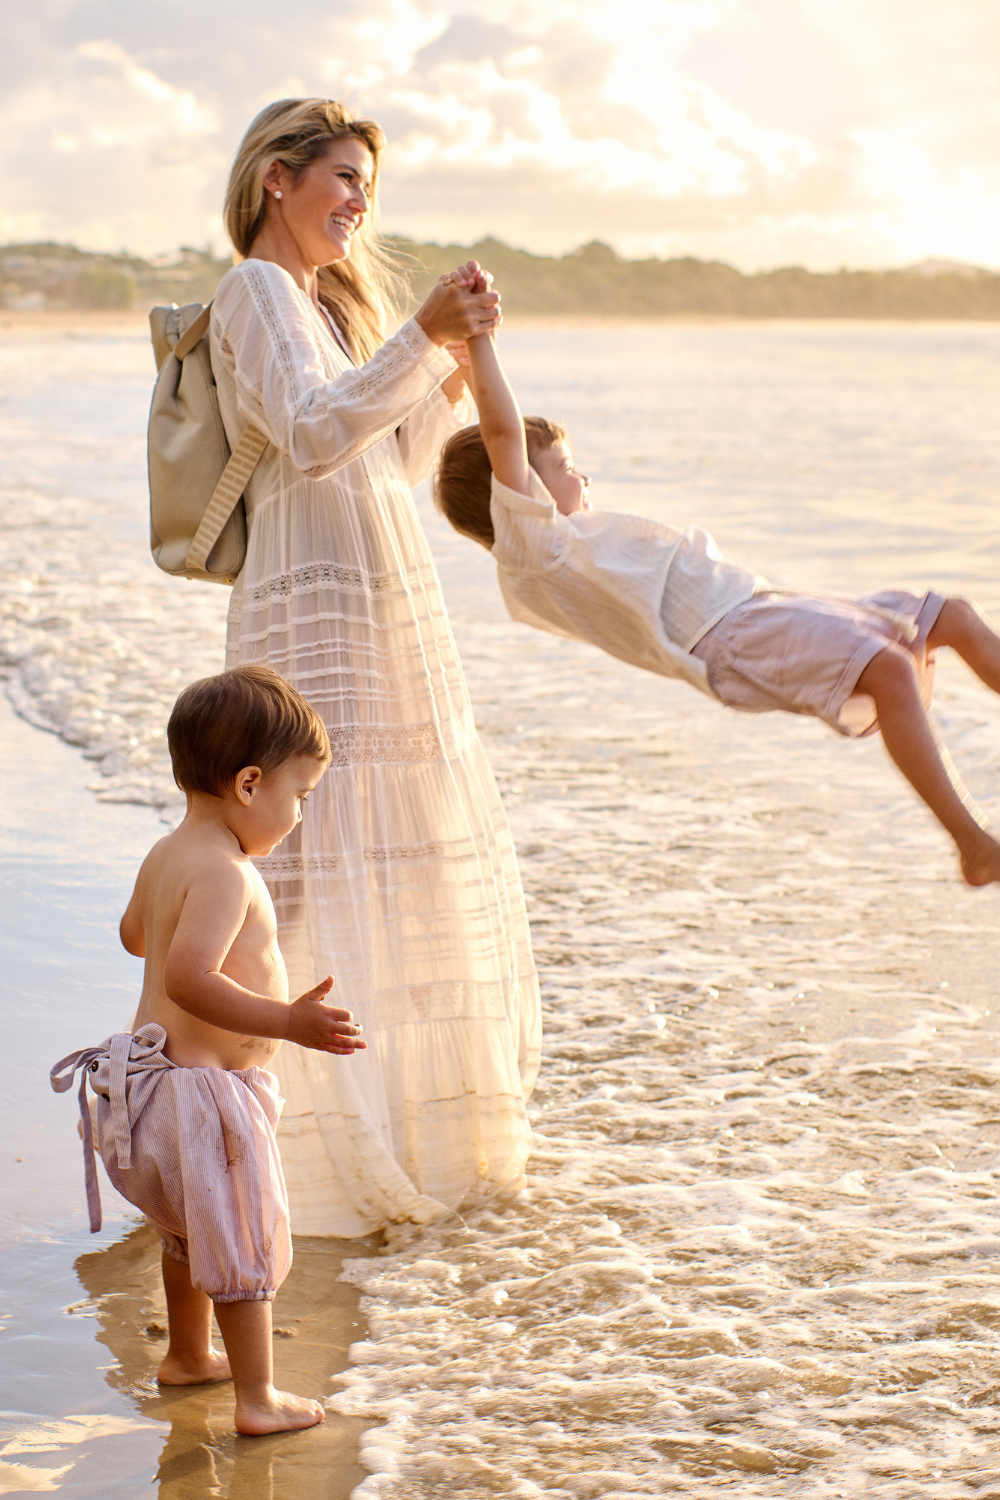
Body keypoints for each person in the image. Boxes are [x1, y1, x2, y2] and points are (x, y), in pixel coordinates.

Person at [211, 100, 540, 1237]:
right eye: (343, 178)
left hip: (375, 596)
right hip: (313, 607)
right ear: (276, 182)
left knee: (375, 864)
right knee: (302, 870)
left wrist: (445, 351)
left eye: (367, 186)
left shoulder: (320, 306)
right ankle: (238, 1139)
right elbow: (307, 434)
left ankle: (377, 1134)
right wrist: (418, 332)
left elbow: (390, 463)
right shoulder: (252, 289)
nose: (358, 202)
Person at [434, 295, 1000, 888]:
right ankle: (974, 844)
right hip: (733, 638)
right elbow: (502, 435)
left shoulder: (565, 541)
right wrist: (480, 341)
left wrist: (470, 378)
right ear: (519, 490)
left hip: (764, 607)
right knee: (889, 671)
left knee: (950, 615)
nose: (582, 476)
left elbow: (500, 436)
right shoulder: (540, 551)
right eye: (564, 466)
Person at [50, 665, 366, 1434]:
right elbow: (192, 981)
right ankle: (257, 1399)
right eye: (300, 795)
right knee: (242, 1243)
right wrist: (285, 1020)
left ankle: (189, 1355)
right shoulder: (228, 873)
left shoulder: (169, 852)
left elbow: (134, 938)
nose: (297, 815)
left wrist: (174, 927)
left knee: (191, 1235)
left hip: (144, 1089)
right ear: (251, 784)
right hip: (202, 1100)